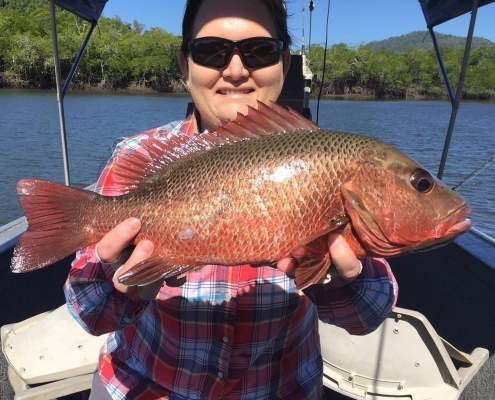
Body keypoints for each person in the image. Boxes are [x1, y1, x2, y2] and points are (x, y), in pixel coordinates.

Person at [65, 0, 398, 399]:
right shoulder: (139, 157)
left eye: (260, 51)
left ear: (284, 63)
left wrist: (333, 277)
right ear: (185, 65)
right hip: (144, 385)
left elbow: (369, 315)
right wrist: (126, 281)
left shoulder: (326, 160)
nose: (237, 70)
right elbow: (89, 312)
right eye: (211, 51)